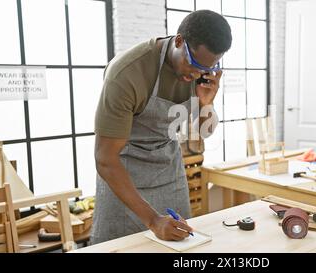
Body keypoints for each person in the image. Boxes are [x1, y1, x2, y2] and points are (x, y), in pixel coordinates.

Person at [90, 10, 232, 244]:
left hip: (168, 172)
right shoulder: (127, 74)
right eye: (193, 63)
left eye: (206, 68)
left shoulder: (203, 71)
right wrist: (153, 220)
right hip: (123, 172)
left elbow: (205, 130)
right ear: (178, 41)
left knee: (179, 248)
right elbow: (105, 158)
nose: (197, 73)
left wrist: (207, 102)